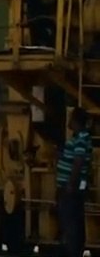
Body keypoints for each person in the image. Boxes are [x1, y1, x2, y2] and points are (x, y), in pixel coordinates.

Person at [57, 107, 92, 257]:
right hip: (74, 186)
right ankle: (74, 248)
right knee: (74, 218)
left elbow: (78, 162)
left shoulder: (81, 139)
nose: (68, 122)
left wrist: (71, 183)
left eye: (71, 118)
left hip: (71, 187)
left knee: (70, 218)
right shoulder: (79, 138)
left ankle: (73, 250)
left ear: (76, 121)